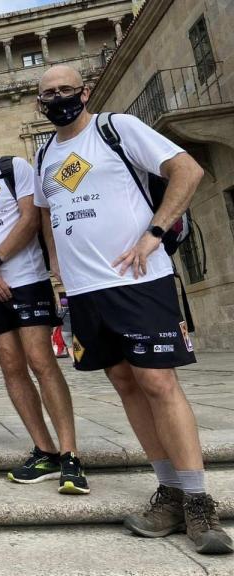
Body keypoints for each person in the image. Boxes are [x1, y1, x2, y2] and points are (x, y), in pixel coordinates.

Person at [35, 64, 230, 553]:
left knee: (159, 381)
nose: (58, 98)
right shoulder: (44, 155)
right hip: (83, 291)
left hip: (138, 279)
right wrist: (56, 261)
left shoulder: (115, 127)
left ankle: (200, 502)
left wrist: (156, 232)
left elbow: (187, 168)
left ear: (83, 92)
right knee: (125, 383)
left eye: (65, 89)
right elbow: (46, 210)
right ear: (40, 103)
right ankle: (167, 490)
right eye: (48, 93)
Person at [0, 105, 88, 495]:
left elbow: (29, 218)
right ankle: (44, 450)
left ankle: (70, 454)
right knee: (10, 366)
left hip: (24, 278)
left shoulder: (15, 168)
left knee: (42, 361)